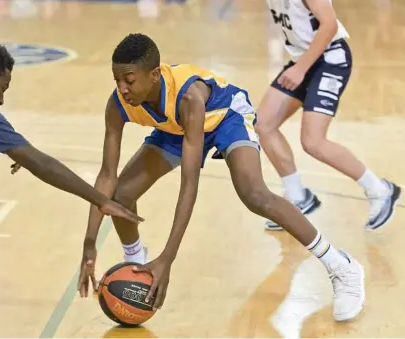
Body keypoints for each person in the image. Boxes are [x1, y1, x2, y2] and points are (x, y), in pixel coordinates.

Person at [78, 33, 365, 322]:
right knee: (121, 193)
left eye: (129, 80)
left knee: (254, 194)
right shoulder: (118, 104)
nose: (122, 88)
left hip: (225, 116)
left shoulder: (189, 96)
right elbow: (106, 176)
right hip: (176, 128)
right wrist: (90, 242)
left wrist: (168, 257)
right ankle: (136, 262)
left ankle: (341, 266)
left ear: (154, 75)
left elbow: (189, 183)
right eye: (116, 80)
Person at [0, 39, 143, 281]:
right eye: (3, 88)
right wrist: (100, 199)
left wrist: (11, 144)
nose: (2, 100)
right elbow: (41, 163)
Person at [252, 0, 401, 230]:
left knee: (313, 141)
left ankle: (380, 190)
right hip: (301, 60)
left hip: (330, 61)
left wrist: (301, 69)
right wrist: (300, 66)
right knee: (263, 124)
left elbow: (329, 24)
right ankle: (298, 197)